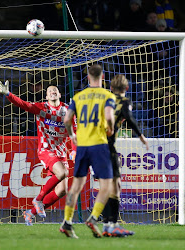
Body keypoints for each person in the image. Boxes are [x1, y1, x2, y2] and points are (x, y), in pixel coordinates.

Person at [0, 81, 76, 226]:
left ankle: (30, 213)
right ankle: (38, 199)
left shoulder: (67, 111)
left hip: (61, 153)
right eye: (50, 90)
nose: (52, 91)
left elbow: (75, 133)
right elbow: (23, 104)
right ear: (46, 96)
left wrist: (75, 151)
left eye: (55, 90)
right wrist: (8, 94)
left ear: (59, 94)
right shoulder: (41, 108)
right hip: (46, 150)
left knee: (62, 191)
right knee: (63, 173)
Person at [59, 64, 115, 238]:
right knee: (107, 186)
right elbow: (108, 117)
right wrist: (110, 129)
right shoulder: (107, 95)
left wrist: (71, 135)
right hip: (99, 144)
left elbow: (67, 119)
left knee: (76, 186)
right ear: (103, 77)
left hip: (82, 146)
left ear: (88, 77)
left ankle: (67, 222)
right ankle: (93, 217)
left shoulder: (78, 96)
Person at [101, 74, 149, 237]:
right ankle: (111, 224)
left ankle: (107, 225)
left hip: (94, 145)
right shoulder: (124, 102)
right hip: (107, 147)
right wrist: (140, 136)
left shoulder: (105, 100)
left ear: (111, 88)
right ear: (127, 88)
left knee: (108, 186)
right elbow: (129, 118)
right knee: (116, 186)